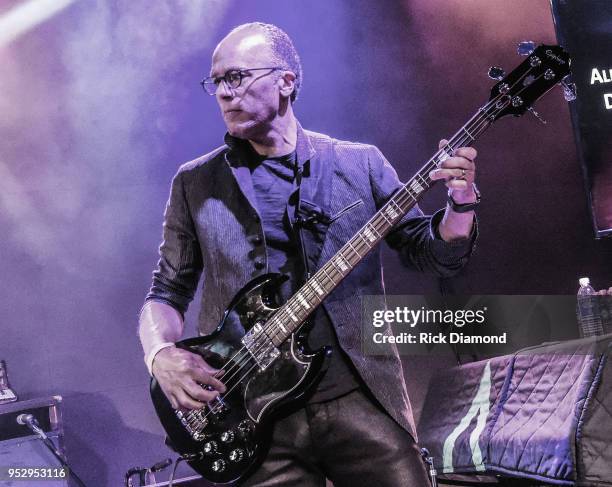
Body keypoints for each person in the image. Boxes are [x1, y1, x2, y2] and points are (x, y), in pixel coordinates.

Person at [139, 22, 479, 486]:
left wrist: (460, 203)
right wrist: (159, 353)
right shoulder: (195, 182)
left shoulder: (359, 162)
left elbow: (431, 254)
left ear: (286, 81)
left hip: (359, 399)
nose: (223, 92)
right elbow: (166, 291)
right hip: (253, 418)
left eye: (235, 77)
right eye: (216, 82)